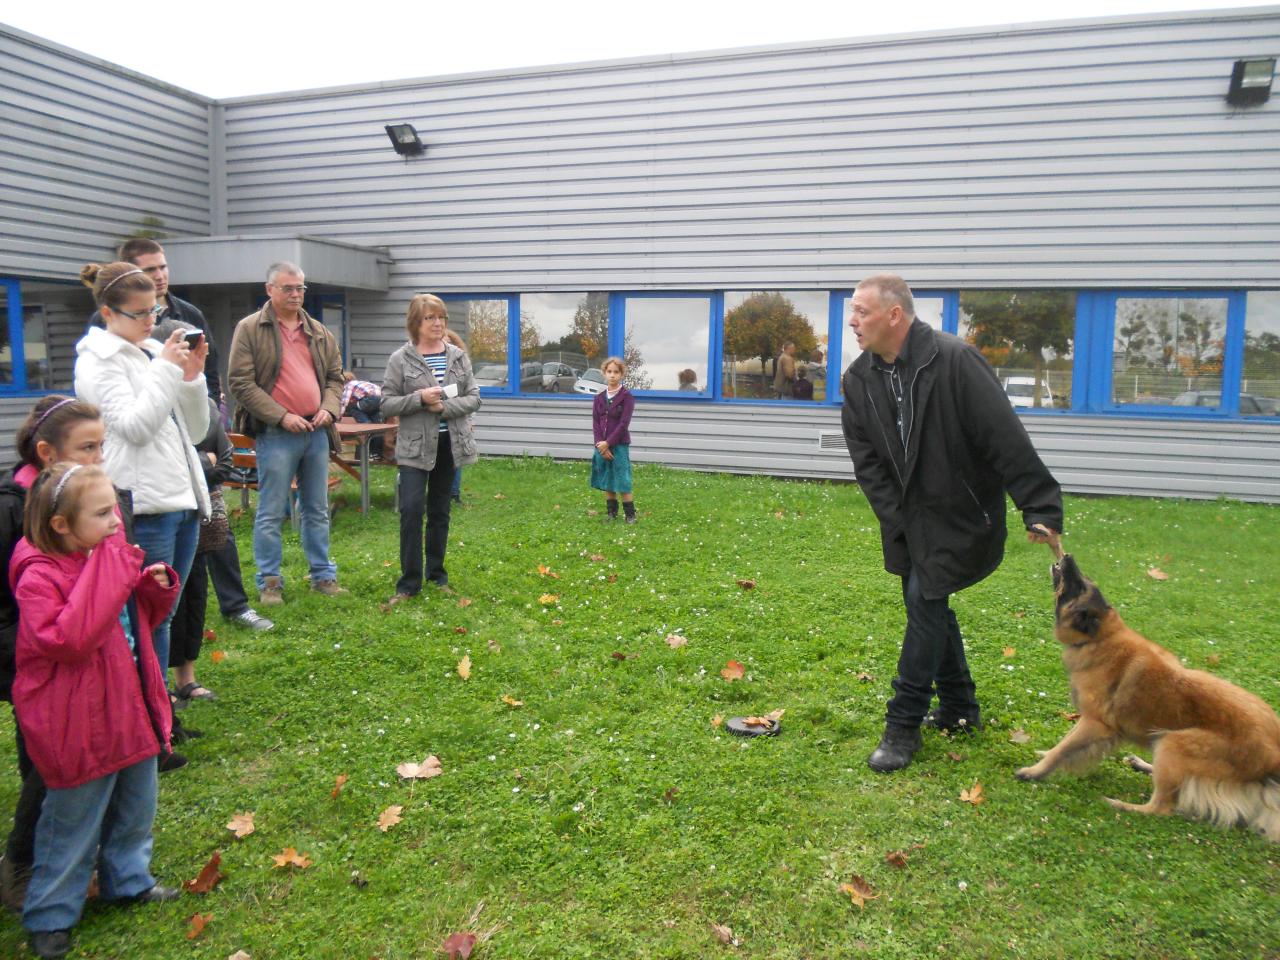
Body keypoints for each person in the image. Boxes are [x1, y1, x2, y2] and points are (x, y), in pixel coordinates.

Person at [841, 274, 1062, 773]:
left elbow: (1003, 435)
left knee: (924, 600)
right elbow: (867, 462)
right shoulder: (859, 380)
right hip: (905, 521)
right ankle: (961, 707)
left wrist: (1040, 505)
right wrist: (897, 518)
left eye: (862, 311)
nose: (852, 321)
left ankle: (903, 726)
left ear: (894, 315)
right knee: (927, 602)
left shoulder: (955, 360)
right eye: (852, 311)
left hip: (961, 514)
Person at [11, 463, 181, 959]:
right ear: (61, 524)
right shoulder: (37, 573)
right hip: (76, 722)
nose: (116, 522)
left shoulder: (102, 556)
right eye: (103, 513)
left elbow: (137, 621)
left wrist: (153, 585)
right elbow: (68, 638)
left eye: (115, 510)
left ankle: (128, 880)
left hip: (128, 706)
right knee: (72, 821)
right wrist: (113, 570)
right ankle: (50, 912)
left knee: (136, 805)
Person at [73, 262, 210, 773]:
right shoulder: (97, 362)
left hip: (181, 498)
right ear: (108, 313)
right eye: (139, 314)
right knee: (143, 621)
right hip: (143, 505)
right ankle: (147, 731)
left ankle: (160, 720)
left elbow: (194, 430)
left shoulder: (154, 352)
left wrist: (190, 377)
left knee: (164, 617)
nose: (151, 322)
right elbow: (132, 427)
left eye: (155, 309)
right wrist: (166, 370)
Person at [0, 397, 107, 913]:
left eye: (101, 447)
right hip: (33, 664)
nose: (99, 458)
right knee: (44, 766)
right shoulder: (11, 507)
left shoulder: (86, 494)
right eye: (88, 448)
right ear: (46, 452)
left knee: (85, 758)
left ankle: (82, 855)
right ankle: (23, 863)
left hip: (85, 658)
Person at [227, 262, 345, 604]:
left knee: (317, 508)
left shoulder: (319, 331)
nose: (296, 295)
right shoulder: (250, 329)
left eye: (300, 289)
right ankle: (269, 582)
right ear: (270, 289)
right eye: (288, 288)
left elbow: (336, 378)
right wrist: (281, 417)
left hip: (316, 430)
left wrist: (329, 407)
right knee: (272, 510)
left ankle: (323, 576)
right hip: (276, 434)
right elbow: (240, 383)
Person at [379, 295, 480, 608]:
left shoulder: (458, 357)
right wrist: (420, 399)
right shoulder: (401, 359)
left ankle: (437, 575)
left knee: (440, 512)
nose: (438, 324)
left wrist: (444, 408)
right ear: (415, 323)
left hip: (449, 445)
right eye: (430, 319)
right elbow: (386, 403)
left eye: (442, 318)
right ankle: (409, 583)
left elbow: (474, 398)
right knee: (411, 511)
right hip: (414, 448)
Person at [89, 237, 220, 402]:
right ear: (131, 274)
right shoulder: (105, 319)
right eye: (150, 270)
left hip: (189, 408)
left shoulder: (191, 314)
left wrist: (212, 413)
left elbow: (211, 371)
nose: (160, 275)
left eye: (163, 267)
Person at [168, 398, 235, 708]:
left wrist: (201, 463)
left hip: (196, 510)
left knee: (195, 593)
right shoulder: (150, 401)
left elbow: (224, 461)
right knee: (165, 600)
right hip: (160, 510)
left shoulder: (204, 404)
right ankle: (160, 684)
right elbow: (168, 465)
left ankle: (187, 678)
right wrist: (200, 461)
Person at [591, 357, 637, 523]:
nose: (612, 375)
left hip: (619, 445)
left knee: (622, 478)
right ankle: (611, 513)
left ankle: (630, 515)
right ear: (604, 373)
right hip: (601, 446)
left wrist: (608, 443)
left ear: (621, 374)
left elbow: (624, 424)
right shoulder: (599, 398)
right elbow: (596, 422)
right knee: (607, 479)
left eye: (616, 372)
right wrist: (600, 445)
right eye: (609, 372)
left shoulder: (627, 397)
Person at [340, 370, 385, 458]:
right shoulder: (362, 383)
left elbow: (344, 403)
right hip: (381, 400)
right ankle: (376, 453)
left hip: (370, 399)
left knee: (352, 407)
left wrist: (338, 417)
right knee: (377, 427)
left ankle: (365, 424)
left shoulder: (349, 385)